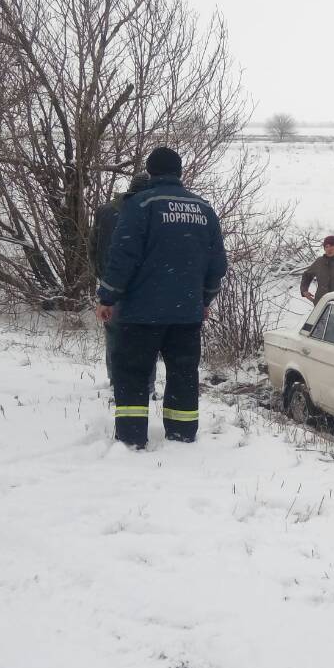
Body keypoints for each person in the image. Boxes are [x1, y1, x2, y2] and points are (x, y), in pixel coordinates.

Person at [95, 147, 227, 449]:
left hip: (141, 313)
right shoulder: (203, 209)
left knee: (133, 373)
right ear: (179, 172)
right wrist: (205, 299)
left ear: (150, 172)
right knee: (183, 374)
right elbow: (217, 264)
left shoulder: (141, 205)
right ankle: (181, 435)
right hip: (186, 314)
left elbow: (122, 257)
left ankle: (131, 437)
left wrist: (108, 297)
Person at [89, 172, 154, 386]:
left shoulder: (105, 211)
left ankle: (115, 379)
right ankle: (147, 384)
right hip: (143, 285)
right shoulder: (149, 211)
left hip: (110, 281)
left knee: (114, 333)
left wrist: (101, 275)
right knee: (146, 336)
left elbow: (92, 246)